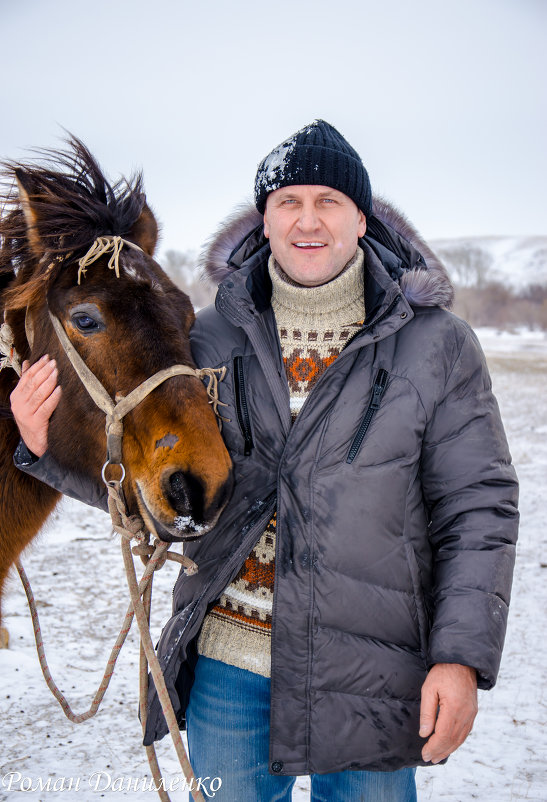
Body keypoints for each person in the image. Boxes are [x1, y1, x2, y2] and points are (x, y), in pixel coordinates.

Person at [12, 120, 519, 802]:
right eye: (288, 202)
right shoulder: (210, 335)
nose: (307, 220)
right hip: (228, 666)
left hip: (373, 671)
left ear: (360, 217)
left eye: (328, 201)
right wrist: (39, 450)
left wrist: (459, 658)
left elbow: (477, 507)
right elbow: (173, 490)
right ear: (266, 219)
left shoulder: (436, 344)